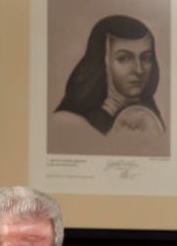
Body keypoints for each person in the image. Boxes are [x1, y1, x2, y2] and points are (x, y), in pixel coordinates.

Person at [51, 14, 167, 156]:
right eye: (123, 58)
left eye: (146, 58)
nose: (139, 70)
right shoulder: (68, 122)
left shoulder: (151, 119)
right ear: (103, 61)